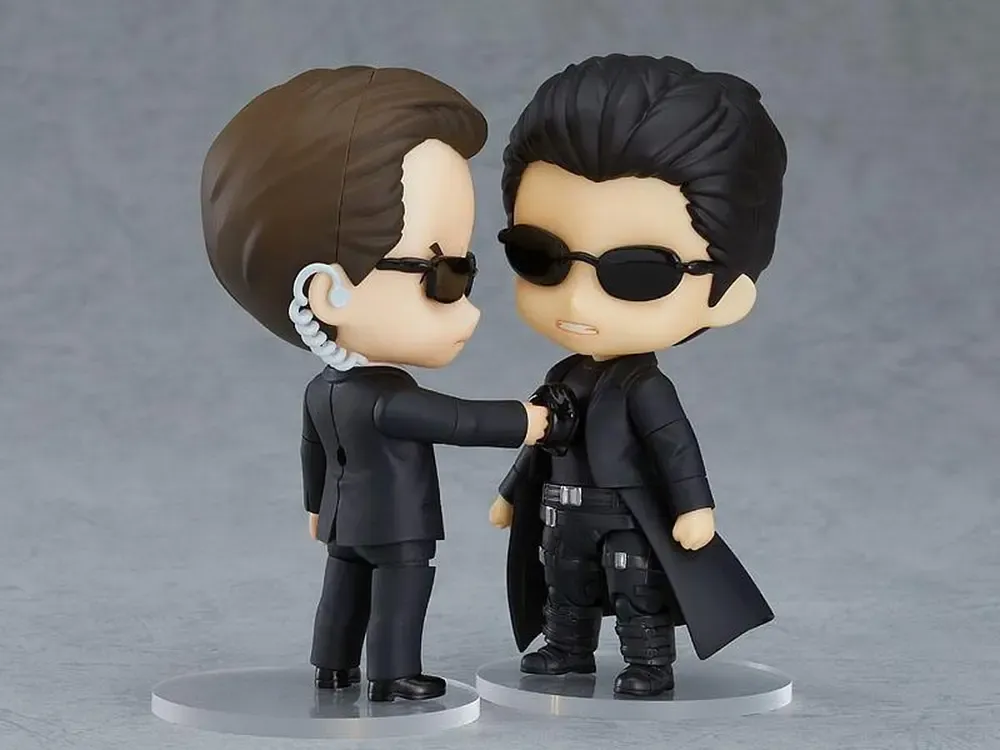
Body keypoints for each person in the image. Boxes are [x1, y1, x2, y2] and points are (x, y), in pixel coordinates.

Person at [201, 66, 555, 703]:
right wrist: (527, 421)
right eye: (441, 275)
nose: (466, 305)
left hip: (344, 523)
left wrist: (317, 509)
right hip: (396, 527)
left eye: (466, 272)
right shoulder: (389, 398)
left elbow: (312, 452)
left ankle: (333, 669)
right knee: (400, 592)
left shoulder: (322, 389)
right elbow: (457, 421)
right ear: (327, 293)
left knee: (341, 591)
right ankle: (392, 674)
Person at [488, 54, 788, 697]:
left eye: (639, 273)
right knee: (564, 584)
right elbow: (543, 437)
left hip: (627, 514)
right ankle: (566, 649)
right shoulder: (563, 371)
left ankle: (649, 662)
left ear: (729, 294)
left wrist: (695, 506)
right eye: (539, 256)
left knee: (635, 587)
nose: (577, 299)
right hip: (561, 510)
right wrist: (513, 491)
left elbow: (674, 445)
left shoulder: (646, 388)